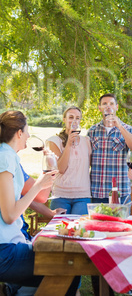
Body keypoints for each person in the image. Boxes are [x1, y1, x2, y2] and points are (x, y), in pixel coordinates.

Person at [0, 110, 80, 295]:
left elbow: (18, 199)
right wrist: (37, 186)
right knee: (71, 266)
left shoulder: (8, 156)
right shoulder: (5, 157)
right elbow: (10, 215)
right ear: (19, 133)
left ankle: (14, 291)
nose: (28, 135)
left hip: (9, 247)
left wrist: (45, 173)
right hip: (4, 252)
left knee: (65, 268)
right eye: (27, 130)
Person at [87, 93, 132, 204]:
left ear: (116, 107)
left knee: (120, 221)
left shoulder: (128, 129)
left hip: (120, 191)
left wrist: (119, 127)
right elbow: (86, 160)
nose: (108, 106)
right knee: (97, 222)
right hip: (97, 191)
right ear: (99, 108)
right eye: (104, 104)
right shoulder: (92, 131)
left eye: (111, 103)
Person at [46, 106, 92, 215]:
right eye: (71, 117)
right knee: (59, 229)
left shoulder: (86, 141)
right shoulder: (53, 141)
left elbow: (89, 166)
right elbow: (61, 169)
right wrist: (68, 144)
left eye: (77, 118)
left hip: (83, 196)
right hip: (60, 195)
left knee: (79, 229)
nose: (74, 121)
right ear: (64, 119)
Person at [20, 164, 66, 241]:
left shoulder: (10, 159)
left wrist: (51, 213)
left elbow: (27, 196)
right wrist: (49, 166)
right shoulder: (8, 159)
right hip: (11, 238)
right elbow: (41, 196)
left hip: (18, 232)